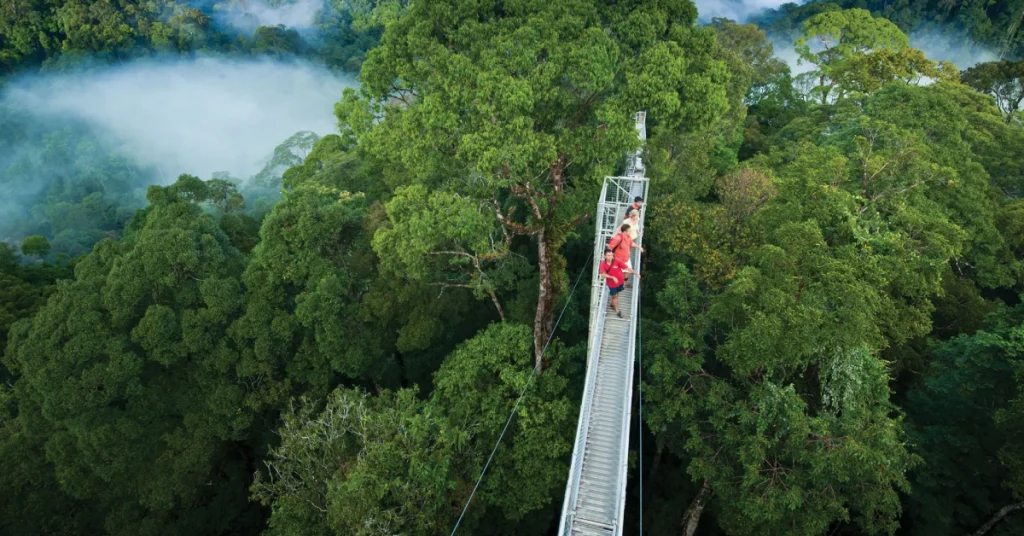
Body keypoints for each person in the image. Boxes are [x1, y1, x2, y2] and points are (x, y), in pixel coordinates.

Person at [599, 248, 638, 318]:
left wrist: (636, 273)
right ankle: (617, 311)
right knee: (615, 297)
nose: (610, 257)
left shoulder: (616, 261)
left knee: (617, 294)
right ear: (605, 256)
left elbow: (626, 267)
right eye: (608, 255)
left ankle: (612, 304)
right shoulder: (603, 264)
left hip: (620, 282)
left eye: (611, 255)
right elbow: (602, 274)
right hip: (612, 285)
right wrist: (612, 277)